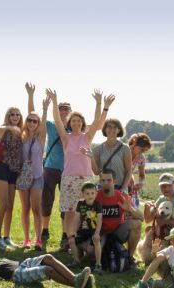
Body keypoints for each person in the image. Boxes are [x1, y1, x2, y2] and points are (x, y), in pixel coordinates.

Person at [26, 82, 102, 246]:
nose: (64, 111)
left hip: (76, 174)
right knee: (53, 202)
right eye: (61, 109)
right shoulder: (58, 129)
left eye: (67, 109)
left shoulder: (83, 135)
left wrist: (100, 104)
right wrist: (48, 101)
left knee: (79, 208)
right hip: (54, 169)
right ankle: (51, 231)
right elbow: (34, 116)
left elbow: (97, 123)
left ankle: (71, 236)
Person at [46, 88, 115, 250]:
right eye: (73, 121)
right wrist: (55, 102)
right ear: (70, 123)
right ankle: (70, 242)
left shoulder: (87, 137)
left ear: (82, 123)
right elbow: (57, 121)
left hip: (86, 179)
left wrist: (100, 104)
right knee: (70, 212)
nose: (76, 123)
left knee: (86, 212)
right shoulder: (66, 138)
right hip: (69, 179)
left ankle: (85, 242)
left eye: (79, 121)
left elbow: (98, 122)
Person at [0, 243, 94, 288]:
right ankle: (76, 283)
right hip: (17, 275)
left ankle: (76, 278)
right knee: (47, 270)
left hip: (22, 264)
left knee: (48, 257)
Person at [18, 96, 51, 250]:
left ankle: (38, 239)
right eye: (29, 120)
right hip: (23, 176)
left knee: (36, 209)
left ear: (38, 124)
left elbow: (43, 123)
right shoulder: (21, 136)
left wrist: (44, 110)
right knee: (25, 208)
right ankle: (27, 239)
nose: (32, 123)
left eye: (35, 121)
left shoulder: (41, 137)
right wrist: (30, 95)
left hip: (37, 177)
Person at [93, 169, 143, 267]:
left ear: (114, 181)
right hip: (101, 233)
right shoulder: (95, 196)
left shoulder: (122, 196)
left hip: (118, 232)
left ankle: (129, 257)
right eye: (103, 180)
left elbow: (141, 217)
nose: (106, 183)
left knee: (137, 223)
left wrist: (130, 210)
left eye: (109, 180)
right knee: (91, 253)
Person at [0, 107, 23, 250]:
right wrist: (9, 127)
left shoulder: (22, 132)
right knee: (3, 204)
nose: (15, 116)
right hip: (2, 169)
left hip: (14, 172)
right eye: (12, 114)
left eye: (17, 114)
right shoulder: (5, 129)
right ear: (8, 116)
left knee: (10, 206)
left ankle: (7, 237)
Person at [68, 181, 103, 273]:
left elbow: (99, 219)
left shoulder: (97, 204)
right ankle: (76, 261)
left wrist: (97, 233)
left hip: (94, 230)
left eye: (92, 193)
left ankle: (98, 264)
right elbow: (77, 218)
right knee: (71, 239)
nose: (90, 195)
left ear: (96, 194)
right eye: (87, 193)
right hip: (83, 230)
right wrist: (74, 231)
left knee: (96, 240)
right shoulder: (80, 204)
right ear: (82, 194)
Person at [91, 118, 132, 194]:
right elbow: (96, 172)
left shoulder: (125, 148)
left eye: (115, 127)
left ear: (119, 130)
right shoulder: (97, 149)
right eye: (109, 127)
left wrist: (123, 188)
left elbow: (129, 171)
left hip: (120, 188)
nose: (111, 129)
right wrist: (91, 158)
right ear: (105, 129)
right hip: (104, 188)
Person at [127, 133, 152, 208]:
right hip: (118, 183)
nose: (143, 152)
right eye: (142, 149)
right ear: (134, 144)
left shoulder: (141, 157)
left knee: (132, 211)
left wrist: (141, 183)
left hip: (130, 185)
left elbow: (141, 175)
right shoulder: (123, 151)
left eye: (145, 150)